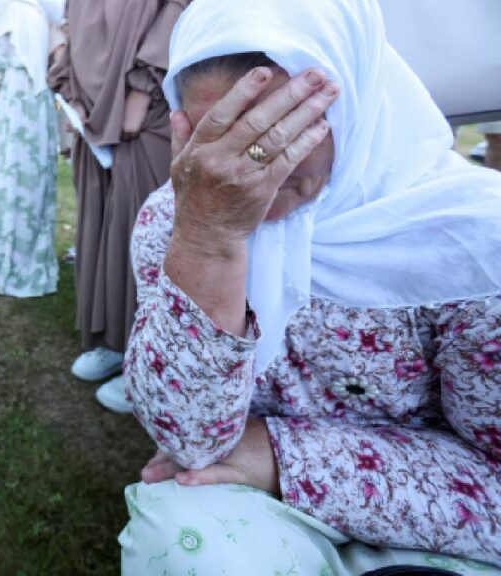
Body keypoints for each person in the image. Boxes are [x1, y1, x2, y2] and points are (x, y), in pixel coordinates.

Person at [120, 0, 501, 572]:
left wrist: (281, 455)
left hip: (441, 531)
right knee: (177, 534)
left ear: (358, 99)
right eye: (220, 134)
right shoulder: (178, 218)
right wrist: (209, 240)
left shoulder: (470, 242)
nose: (248, 174)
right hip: (259, 511)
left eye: (283, 126)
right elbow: (189, 439)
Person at [48, 0, 185, 412]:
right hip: (92, 114)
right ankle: (112, 339)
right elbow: (75, 24)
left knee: (143, 233)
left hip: (148, 115)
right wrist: (73, 90)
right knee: (99, 227)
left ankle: (149, 364)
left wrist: (143, 91)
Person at [0, 0, 62, 298]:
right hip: (23, 98)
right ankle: (15, 262)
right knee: (17, 181)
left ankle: (23, 263)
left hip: (28, 99)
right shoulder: (11, 8)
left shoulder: (26, 9)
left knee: (27, 182)